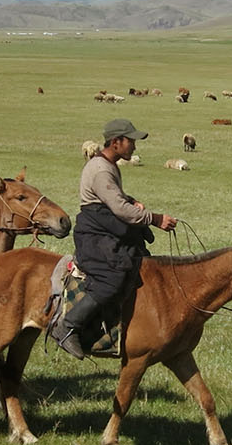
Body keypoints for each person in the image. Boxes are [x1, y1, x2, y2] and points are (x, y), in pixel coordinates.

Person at [52, 118, 178, 358]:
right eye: (131, 142)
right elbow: (119, 209)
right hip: (95, 237)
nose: (134, 147)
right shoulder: (101, 170)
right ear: (116, 142)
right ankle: (67, 327)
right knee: (111, 278)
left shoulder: (108, 164)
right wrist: (155, 218)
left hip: (106, 229)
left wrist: (129, 200)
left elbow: (114, 199)